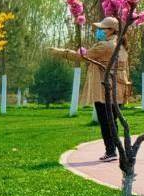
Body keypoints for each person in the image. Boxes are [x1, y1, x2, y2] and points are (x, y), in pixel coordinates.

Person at [51, 16, 131, 161]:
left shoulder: (105, 46)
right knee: (112, 121)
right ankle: (114, 150)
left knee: (106, 121)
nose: (98, 31)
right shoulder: (121, 45)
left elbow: (81, 57)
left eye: (101, 29)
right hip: (118, 88)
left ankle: (111, 151)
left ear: (111, 30)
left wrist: (59, 52)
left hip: (104, 89)